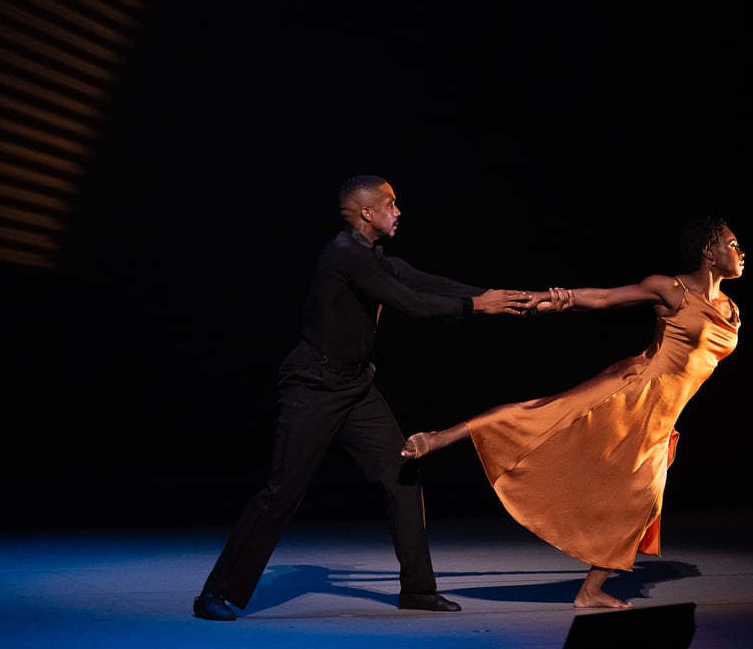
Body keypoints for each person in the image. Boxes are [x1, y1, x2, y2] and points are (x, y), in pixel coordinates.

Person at [193, 174, 537, 620]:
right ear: (366, 212)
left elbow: (417, 278)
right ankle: (215, 594)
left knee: (403, 477)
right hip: (313, 386)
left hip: (355, 387)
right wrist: (477, 307)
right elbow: (409, 302)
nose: (399, 211)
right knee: (283, 493)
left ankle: (417, 590)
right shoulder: (344, 254)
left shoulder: (369, 256)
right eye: (391, 204)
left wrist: (494, 296)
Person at [401, 216, 745, 609]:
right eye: (733, 244)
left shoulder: (731, 308)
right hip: (629, 391)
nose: (741, 252)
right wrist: (549, 299)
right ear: (708, 251)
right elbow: (602, 298)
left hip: (662, 415)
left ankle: (589, 591)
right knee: (540, 415)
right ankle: (437, 438)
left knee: (645, 503)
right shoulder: (672, 289)